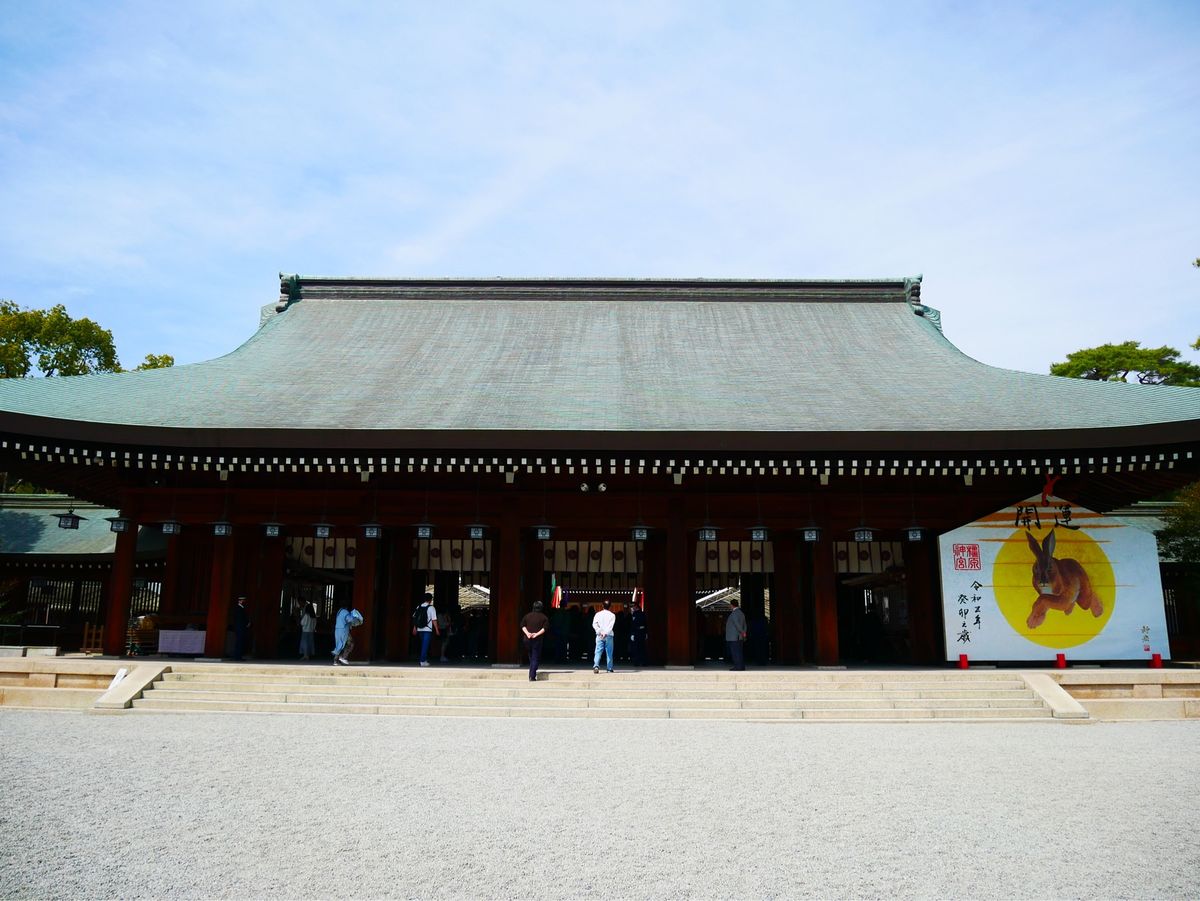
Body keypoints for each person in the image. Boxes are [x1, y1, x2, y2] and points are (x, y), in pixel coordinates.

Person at [521, 600, 550, 682]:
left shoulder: (527, 616)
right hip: (537, 640)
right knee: (535, 657)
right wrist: (536, 634)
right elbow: (545, 628)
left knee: (531, 656)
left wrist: (527, 634)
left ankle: (533, 669)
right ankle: (532, 676)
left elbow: (522, 625)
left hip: (527, 639)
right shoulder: (544, 617)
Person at [412, 592, 440, 667]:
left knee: (423, 645)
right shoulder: (431, 608)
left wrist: (414, 628)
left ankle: (423, 659)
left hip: (420, 629)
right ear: (431, 600)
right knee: (425, 645)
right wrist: (437, 629)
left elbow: (415, 618)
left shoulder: (419, 607)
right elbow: (434, 620)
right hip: (428, 629)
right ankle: (423, 661)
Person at [592, 599, 616, 674]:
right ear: (610, 606)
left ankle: (596, 666)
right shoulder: (612, 615)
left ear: (602, 606)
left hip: (599, 635)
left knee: (598, 651)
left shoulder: (597, 614)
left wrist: (600, 631)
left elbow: (594, 624)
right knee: (609, 652)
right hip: (609, 635)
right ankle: (609, 668)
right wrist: (605, 633)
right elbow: (610, 626)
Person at [726, 598, 748, 671]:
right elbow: (744, 624)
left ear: (731, 605)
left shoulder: (734, 613)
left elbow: (737, 624)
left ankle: (738, 666)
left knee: (735, 652)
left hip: (734, 637)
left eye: (730, 605)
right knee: (739, 651)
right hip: (740, 636)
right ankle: (741, 666)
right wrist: (744, 632)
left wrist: (742, 632)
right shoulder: (741, 613)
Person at [232, 595, 251, 661]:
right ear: (240, 601)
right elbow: (240, 619)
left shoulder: (241, 608)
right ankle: (237, 657)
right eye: (243, 600)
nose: (244, 601)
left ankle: (238, 656)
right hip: (240, 627)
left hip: (240, 627)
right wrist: (246, 623)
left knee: (240, 642)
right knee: (239, 642)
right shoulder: (238, 608)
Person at [629, 602, 648, 667]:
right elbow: (632, 625)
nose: (632, 608)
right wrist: (632, 633)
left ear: (636, 606)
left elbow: (645, 624)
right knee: (636, 648)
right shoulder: (634, 614)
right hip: (636, 632)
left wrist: (646, 632)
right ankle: (637, 662)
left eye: (633, 606)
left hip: (641, 631)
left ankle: (643, 662)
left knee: (642, 647)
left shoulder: (642, 613)